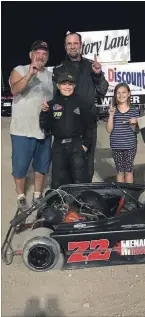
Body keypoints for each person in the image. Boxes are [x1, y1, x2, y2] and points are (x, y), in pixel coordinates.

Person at [52, 31, 109, 183]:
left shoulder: (91, 66)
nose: (72, 46)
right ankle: (69, 201)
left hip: (88, 124)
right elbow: (55, 99)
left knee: (87, 166)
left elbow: (103, 89)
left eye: (75, 43)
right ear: (65, 47)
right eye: (69, 44)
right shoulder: (59, 69)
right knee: (66, 167)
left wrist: (98, 75)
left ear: (81, 45)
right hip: (67, 125)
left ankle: (84, 200)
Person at [9, 40, 54, 211]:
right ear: (31, 54)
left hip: (43, 130)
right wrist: (29, 74)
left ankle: (37, 195)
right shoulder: (19, 70)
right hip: (22, 129)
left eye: (44, 53)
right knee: (20, 166)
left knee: (42, 165)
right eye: (38, 52)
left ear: (47, 57)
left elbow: (53, 101)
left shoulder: (51, 76)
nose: (40, 56)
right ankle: (21, 196)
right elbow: (14, 90)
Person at [39, 72, 93, 189]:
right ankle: (61, 206)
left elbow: (89, 126)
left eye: (70, 84)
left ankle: (79, 206)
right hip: (59, 146)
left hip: (77, 145)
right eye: (64, 84)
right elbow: (45, 126)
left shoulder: (82, 104)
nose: (67, 87)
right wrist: (44, 113)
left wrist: (85, 144)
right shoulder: (52, 104)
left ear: (74, 86)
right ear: (58, 86)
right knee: (58, 181)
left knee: (79, 180)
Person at [106, 83, 139, 184]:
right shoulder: (113, 110)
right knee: (120, 171)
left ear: (129, 94)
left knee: (128, 171)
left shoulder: (134, 110)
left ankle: (129, 195)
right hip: (116, 145)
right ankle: (121, 197)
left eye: (124, 92)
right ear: (115, 95)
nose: (121, 95)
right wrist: (111, 115)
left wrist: (136, 123)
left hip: (130, 146)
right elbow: (109, 130)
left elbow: (137, 131)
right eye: (118, 93)